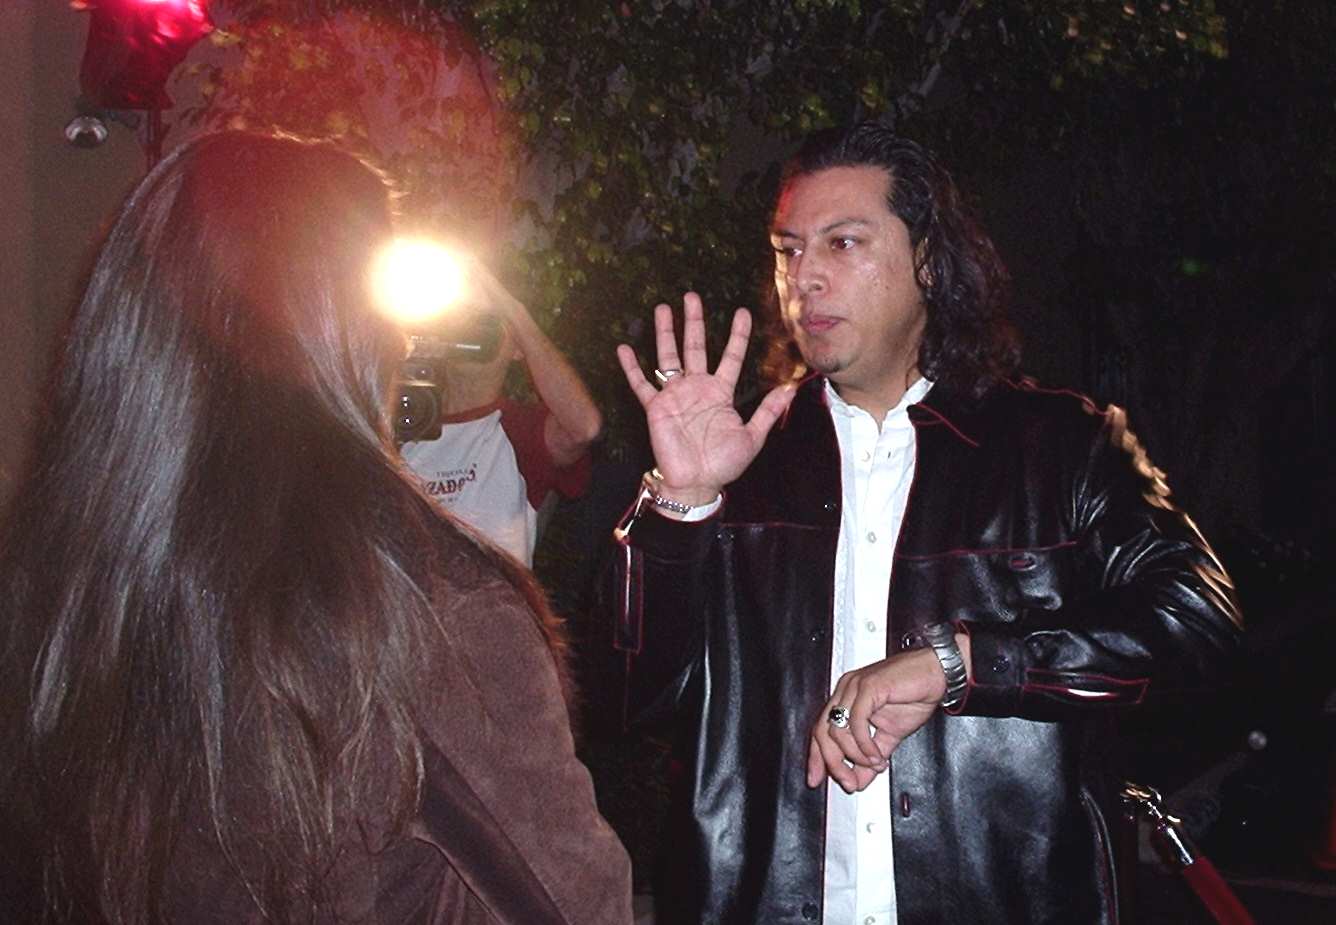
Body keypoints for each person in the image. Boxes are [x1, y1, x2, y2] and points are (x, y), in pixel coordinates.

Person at [611, 122, 1242, 924]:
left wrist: (968, 663)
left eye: (843, 243)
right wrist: (681, 502)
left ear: (931, 263)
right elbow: (624, 696)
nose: (805, 276)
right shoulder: (742, 460)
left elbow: (1198, 622)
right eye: (788, 250)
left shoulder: (1060, 444)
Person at [0, 132, 631, 924]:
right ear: (347, 331)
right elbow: (577, 904)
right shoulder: (434, 611)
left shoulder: (57, 587)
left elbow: (581, 426)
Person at [400, 265, 603, 567]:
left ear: (518, 348)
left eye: (487, 322)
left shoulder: (519, 430)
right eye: (461, 319)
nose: (471, 329)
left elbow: (584, 428)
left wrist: (508, 304)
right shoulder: (402, 419)